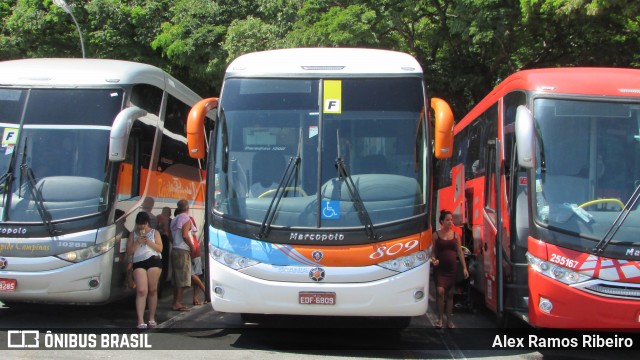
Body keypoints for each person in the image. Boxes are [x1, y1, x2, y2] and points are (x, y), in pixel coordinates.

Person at [431, 209, 469, 329]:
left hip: (451, 269)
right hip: (440, 269)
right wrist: (433, 260)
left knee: (450, 295)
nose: (450, 222)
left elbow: (460, 252)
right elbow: (432, 252)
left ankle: (449, 321)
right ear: (442, 221)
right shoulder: (435, 235)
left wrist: (464, 268)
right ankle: (440, 319)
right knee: (440, 291)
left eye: (451, 220)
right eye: (447, 220)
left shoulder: (456, 235)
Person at [126, 211, 163, 329]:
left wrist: (148, 241)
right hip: (138, 261)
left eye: (144, 224)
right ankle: (140, 320)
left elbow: (160, 248)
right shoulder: (133, 234)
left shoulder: (154, 232)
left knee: (152, 289)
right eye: (140, 224)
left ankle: (151, 317)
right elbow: (129, 252)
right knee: (142, 290)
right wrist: (138, 241)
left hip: (153, 259)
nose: (142, 227)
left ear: (147, 223)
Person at [170, 199, 194, 311]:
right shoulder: (185, 218)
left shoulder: (174, 219)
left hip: (175, 249)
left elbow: (171, 236)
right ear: (188, 208)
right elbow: (185, 235)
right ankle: (177, 303)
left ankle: (175, 301)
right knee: (182, 278)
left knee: (176, 278)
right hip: (182, 250)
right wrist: (192, 246)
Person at [188, 215, 207, 305]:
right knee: (196, 274)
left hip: (189, 250)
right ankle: (195, 297)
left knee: (191, 274)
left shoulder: (181, 220)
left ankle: (205, 292)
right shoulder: (191, 218)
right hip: (196, 249)